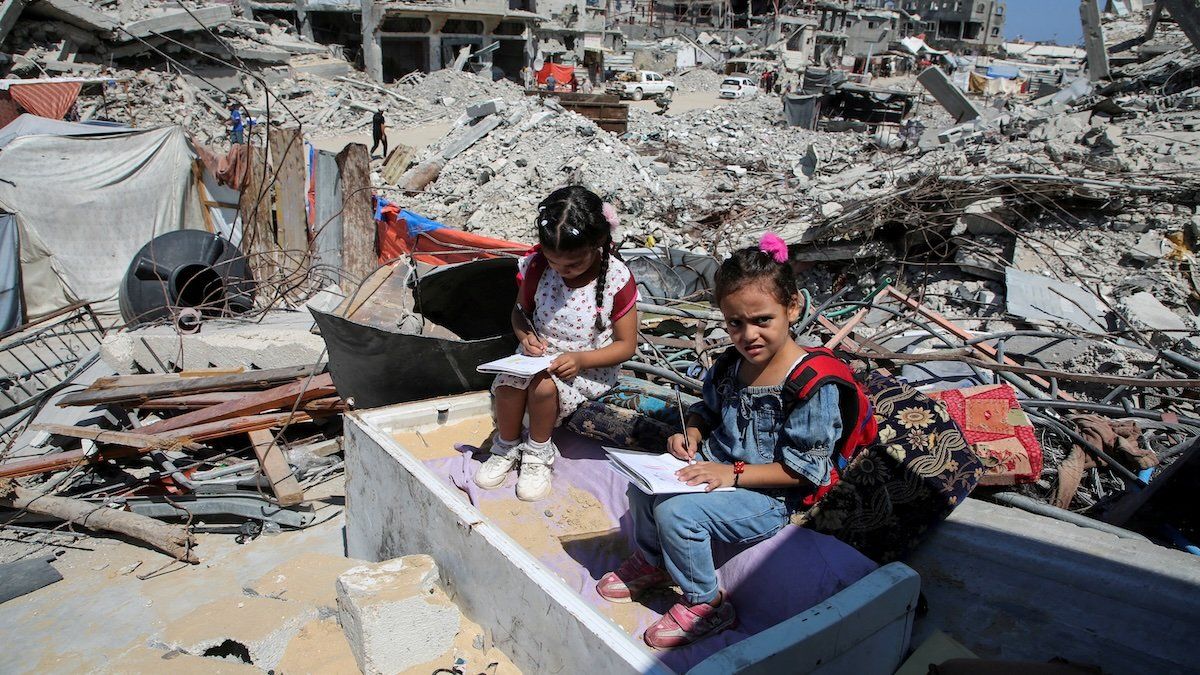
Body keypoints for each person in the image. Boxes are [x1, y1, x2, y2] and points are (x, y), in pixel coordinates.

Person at [596, 233, 845, 649]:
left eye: (762, 319)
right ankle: (654, 563)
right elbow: (707, 410)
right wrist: (691, 432)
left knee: (677, 513)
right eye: (735, 323)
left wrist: (732, 473)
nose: (748, 335)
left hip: (766, 496)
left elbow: (803, 471)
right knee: (642, 488)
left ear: (793, 307)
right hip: (715, 467)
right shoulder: (732, 365)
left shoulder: (811, 386)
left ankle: (707, 603)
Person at [474, 186, 639, 501]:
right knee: (508, 385)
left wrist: (580, 360)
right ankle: (506, 445)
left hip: (587, 368)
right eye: (554, 262)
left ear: (597, 244)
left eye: (572, 265)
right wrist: (525, 336)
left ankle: (538, 452)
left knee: (543, 387)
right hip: (537, 357)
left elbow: (626, 346)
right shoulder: (537, 266)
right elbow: (520, 314)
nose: (561, 272)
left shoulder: (616, 279)